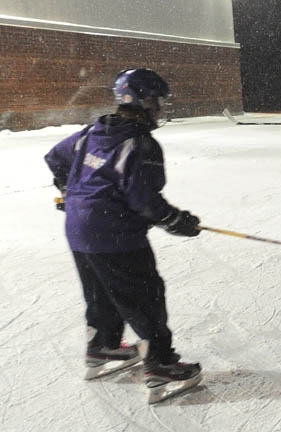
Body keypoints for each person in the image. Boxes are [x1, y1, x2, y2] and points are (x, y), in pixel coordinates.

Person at [44, 68, 202, 399]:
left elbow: (55, 157)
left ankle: (103, 345)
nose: (161, 109)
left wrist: (68, 193)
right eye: (158, 102)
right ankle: (160, 364)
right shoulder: (140, 144)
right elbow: (144, 200)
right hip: (116, 236)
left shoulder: (93, 131)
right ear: (143, 102)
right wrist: (178, 221)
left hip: (78, 231)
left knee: (101, 293)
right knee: (145, 296)